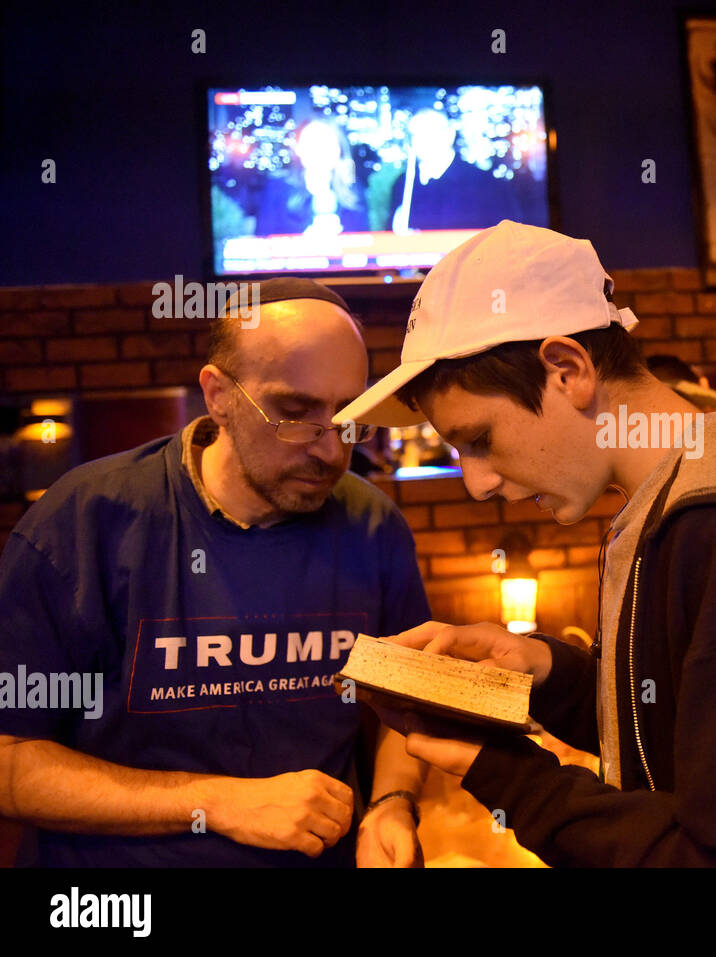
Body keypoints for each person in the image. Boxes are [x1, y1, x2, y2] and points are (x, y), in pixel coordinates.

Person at [332, 219, 716, 866]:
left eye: (479, 440)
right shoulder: (678, 504)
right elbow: (687, 733)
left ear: (567, 369)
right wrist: (542, 673)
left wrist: (507, 774)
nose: (476, 483)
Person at [0, 278, 432, 867]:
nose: (331, 450)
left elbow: (404, 708)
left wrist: (392, 803)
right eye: (295, 413)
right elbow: (12, 760)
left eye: (350, 418)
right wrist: (219, 803)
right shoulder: (85, 521)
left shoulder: (372, 526)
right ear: (219, 395)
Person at [391, 109, 524, 233]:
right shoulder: (402, 184)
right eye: (416, 134)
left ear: (450, 134)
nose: (423, 140)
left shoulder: (486, 184)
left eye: (431, 132)